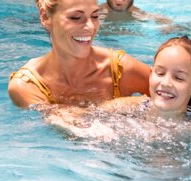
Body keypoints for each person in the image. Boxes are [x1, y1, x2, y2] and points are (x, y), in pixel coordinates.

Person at [43, 36, 191, 146]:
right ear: (150, 74)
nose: (166, 83)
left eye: (179, 77)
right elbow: (66, 114)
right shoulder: (131, 106)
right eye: (160, 73)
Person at [8, 0, 151, 108]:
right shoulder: (28, 85)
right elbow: (70, 126)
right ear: (45, 17)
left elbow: (171, 97)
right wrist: (119, 105)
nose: (90, 27)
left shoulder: (120, 69)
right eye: (76, 17)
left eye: (95, 16)